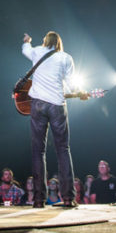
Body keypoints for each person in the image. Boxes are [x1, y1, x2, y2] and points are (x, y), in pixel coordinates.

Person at [21, 31, 80, 208]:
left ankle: (38, 200)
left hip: (37, 104)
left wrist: (27, 41)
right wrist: (80, 93)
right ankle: (68, 198)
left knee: (38, 151)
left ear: (46, 41)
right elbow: (71, 83)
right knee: (63, 149)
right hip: (57, 105)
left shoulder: (37, 51)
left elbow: (26, 50)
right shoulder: (66, 57)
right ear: (59, 43)